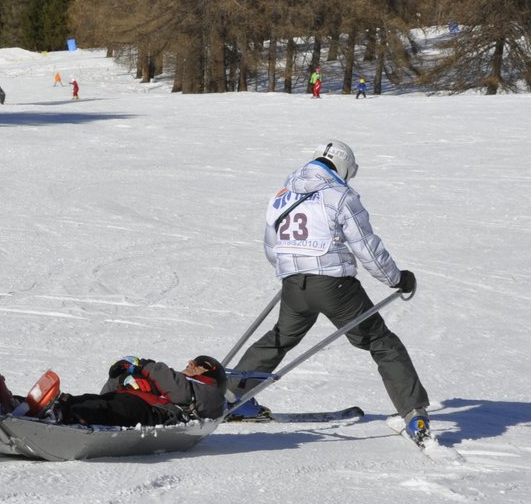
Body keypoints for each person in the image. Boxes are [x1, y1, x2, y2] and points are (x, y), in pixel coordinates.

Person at [233, 140, 433, 444]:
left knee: (280, 338)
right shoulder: (340, 196)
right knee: (381, 341)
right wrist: (396, 279)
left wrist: (293, 270)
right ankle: (414, 415)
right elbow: (367, 249)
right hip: (335, 287)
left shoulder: (282, 195)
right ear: (342, 167)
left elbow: (272, 247)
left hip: (293, 285)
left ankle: (233, 395)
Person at [53, 355, 228, 427]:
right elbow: (105, 394)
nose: (191, 363)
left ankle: (65, 415)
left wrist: (143, 365)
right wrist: (120, 378)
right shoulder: (169, 378)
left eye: (201, 364)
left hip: (158, 413)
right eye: (192, 361)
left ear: (214, 377)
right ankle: (46, 405)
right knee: (93, 400)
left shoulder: (213, 395)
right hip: (132, 401)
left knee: (111, 408)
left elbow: (180, 393)